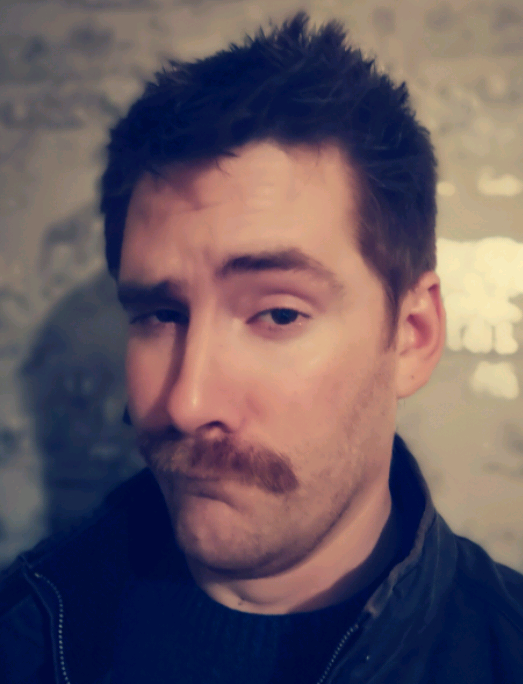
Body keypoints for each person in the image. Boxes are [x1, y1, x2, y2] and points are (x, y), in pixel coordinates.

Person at [1, 10, 522, 684]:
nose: (187, 404)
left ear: (412, 336)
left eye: (277, 313)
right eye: (161, 315)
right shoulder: (24, 634)